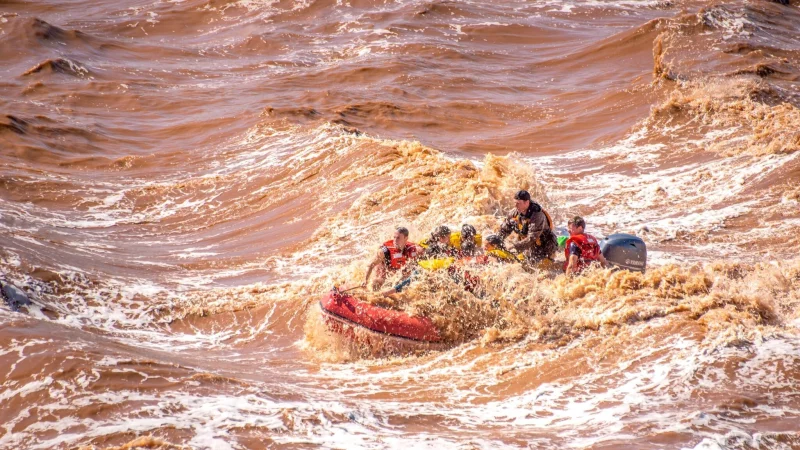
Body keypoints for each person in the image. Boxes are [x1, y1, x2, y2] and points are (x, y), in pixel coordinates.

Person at [498, 190, 557, 264]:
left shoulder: (537, 216)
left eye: (518, 203)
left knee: (538, 269)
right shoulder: (515, 212)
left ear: (527, 202)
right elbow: (505, 228)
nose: (515, 206)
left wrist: (515, 246)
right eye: (515, 203)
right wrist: (497, 240)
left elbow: (532, 238)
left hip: (544, 245)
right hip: (527, 244)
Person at [364, 227, 420, 291]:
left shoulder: (412, 249)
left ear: (406, 238)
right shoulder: (384, 251)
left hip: (398, 273)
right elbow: (371, 265)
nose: (395, 240)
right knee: (375, 283)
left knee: (409, 280)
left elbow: (417, 263)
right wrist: (365, 281)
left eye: (398, 238)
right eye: (394, 237)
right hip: (384, 273)